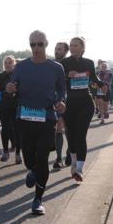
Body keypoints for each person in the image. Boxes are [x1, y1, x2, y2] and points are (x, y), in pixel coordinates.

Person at [6, 31, 67, 215]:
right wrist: (10, 89)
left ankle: (38, 199)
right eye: (33, 45)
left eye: (40, 44)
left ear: (46, 44)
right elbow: (13, 87)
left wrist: (62, 102)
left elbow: (62, 91)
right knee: (29, 159)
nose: (36, 48)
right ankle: (31, 170)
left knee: (42, 159)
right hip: (24, 118)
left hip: (47, 118)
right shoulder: (22, 66)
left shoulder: (56, 68)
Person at [61, 37, 100, 183]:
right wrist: (66, 76)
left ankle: (79, 169)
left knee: (81, 135)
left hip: (85, 102)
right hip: (70, 103)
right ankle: (73, 161)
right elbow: (58, 81)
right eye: (71, 45)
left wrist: (102, 85)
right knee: (71, 135)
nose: (72, 47)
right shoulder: (64, 63)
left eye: (75, 45)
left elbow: (94, 79)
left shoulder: (89, 63)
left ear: (82, 48)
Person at [0, 56, 21, 164]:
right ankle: (5, 152)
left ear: (14, 63)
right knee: (5, 128)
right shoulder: (0, 76)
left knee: (17, 129)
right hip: (4, 106)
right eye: (6, 62)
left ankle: (18, 154)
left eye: (10, 62)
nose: (8, 64)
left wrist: (16, 89)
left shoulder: (19, 75)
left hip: (17, 105)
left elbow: (24, 89)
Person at [52, 41, 70, 170]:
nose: (57, 51)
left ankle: (70, 152)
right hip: (56, 100)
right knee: (58, 128)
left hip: (70, 99)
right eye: (56, 48)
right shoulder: (50, 64)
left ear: (65, 51)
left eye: (60, 49)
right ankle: (58, 158)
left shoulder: (70, 63)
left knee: (69, 129)